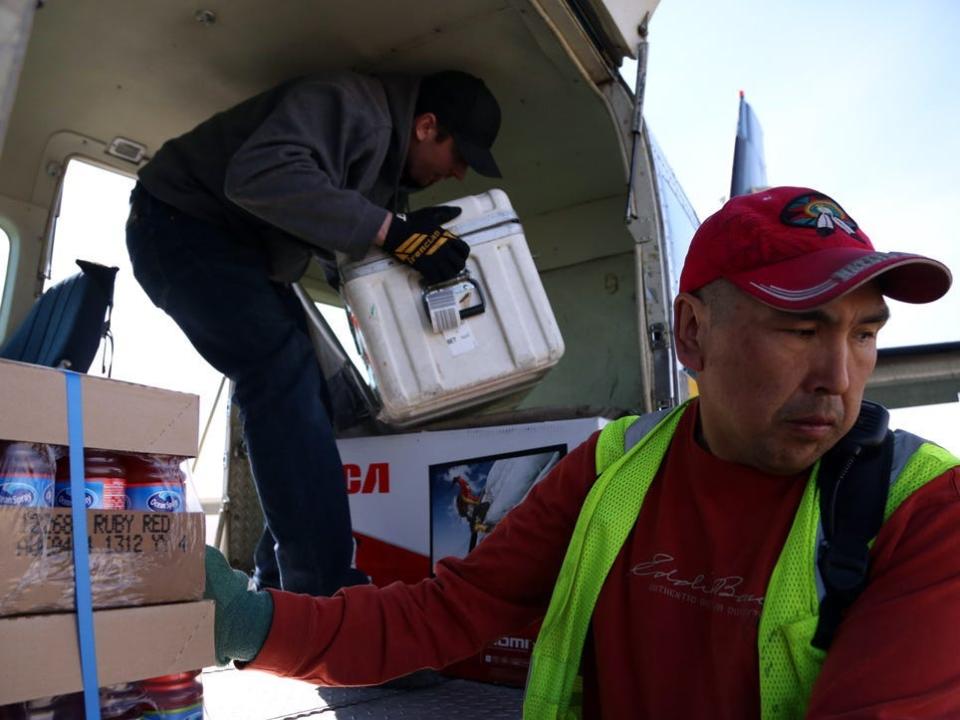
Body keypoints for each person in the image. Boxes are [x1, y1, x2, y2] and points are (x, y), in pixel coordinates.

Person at [202, 186, 960, 718]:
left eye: (865, 335)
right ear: (693, 333)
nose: (840, 378)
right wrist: (247, 623)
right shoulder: (613, 467)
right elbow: (450, 611)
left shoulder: (926, 510)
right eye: (803, 331)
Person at [125, 70, 503, 596]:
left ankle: (279, 584)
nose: (460, 172)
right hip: (179, 225)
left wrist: (398, 236)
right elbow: (257, 176)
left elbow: (337, 238)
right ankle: (323, 591)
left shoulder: (385, 168)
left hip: (244, 255)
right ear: (426, 126)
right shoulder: (354, 107)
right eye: (458, 155)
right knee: (280, 369)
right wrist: (388, 229)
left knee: (320, 397)